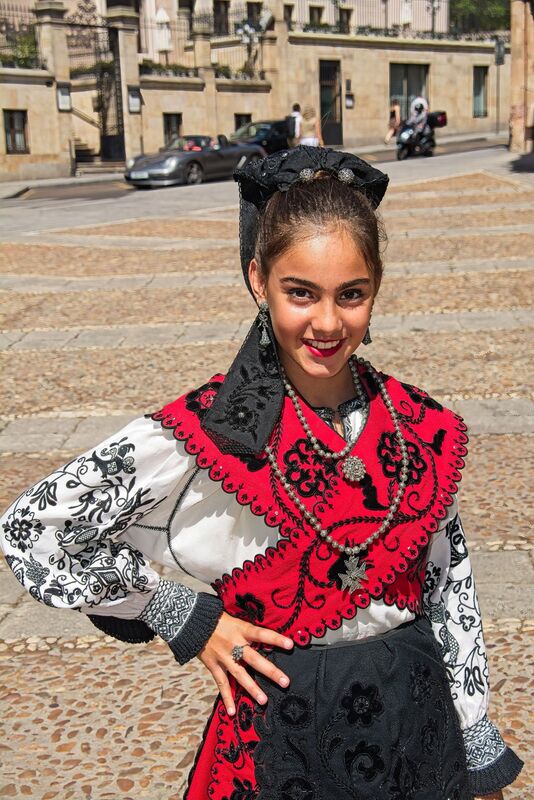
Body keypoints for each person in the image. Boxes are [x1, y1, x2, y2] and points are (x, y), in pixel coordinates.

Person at [0, 146, 523, 800]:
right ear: (258, 280)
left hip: (414, 731)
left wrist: (475, 743)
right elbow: (32, 530)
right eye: (300, 292)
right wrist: (182, 614)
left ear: (375, 289)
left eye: (351, 295)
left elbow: (450, 584)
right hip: (281, 736)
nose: (327, 322)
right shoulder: (204, 433)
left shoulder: (419, 423)